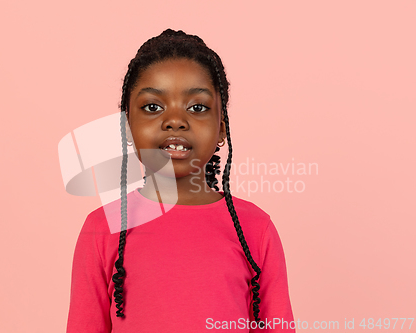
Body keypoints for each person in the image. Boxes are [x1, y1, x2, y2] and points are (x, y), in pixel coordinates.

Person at [66, 29, 295, 332]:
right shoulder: (102, 228)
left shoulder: (255, 229)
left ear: (222, 128)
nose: (175, 120)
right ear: (126, 128)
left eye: (197, 107)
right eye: (153, 107)